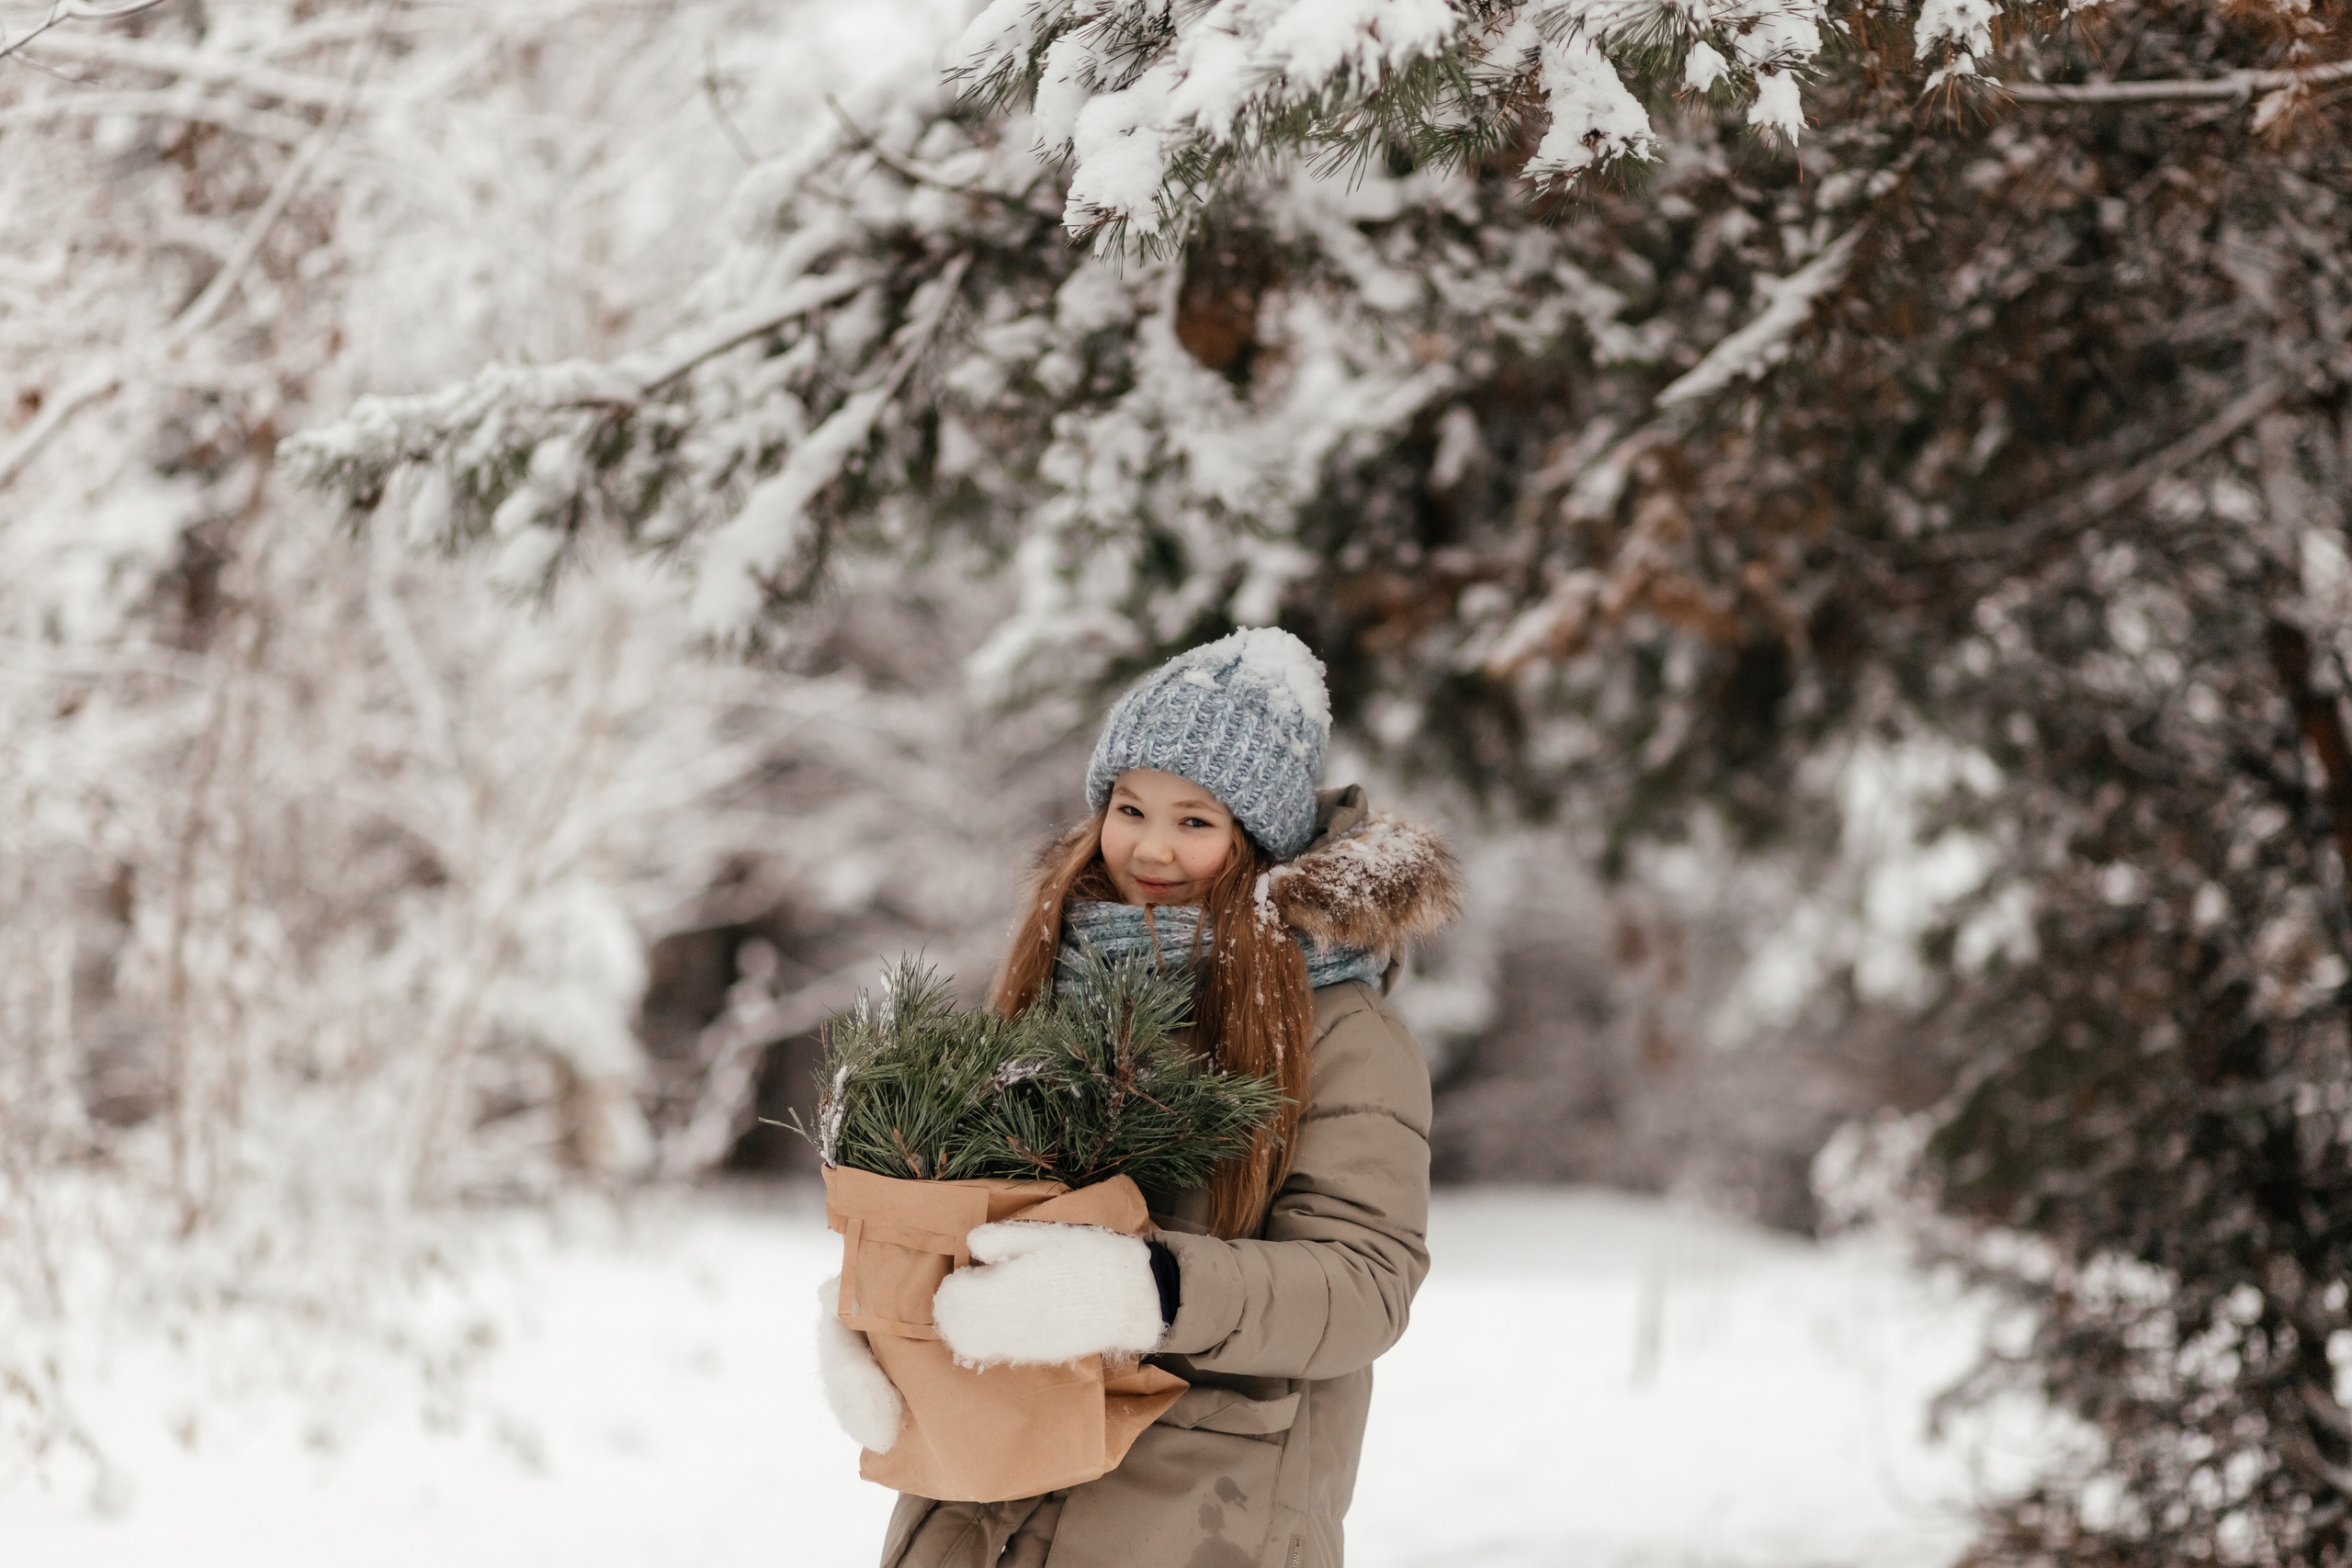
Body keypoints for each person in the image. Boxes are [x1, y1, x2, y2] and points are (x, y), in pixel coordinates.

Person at [820, 627, 1458, 1568]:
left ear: (1257, 840)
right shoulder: (1058, 971)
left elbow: (1365, 1283)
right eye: (1130, 807)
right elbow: (974, 1208)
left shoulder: (1341, 1030)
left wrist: (1148, 1290)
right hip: (984, 1502)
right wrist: (873, 1318)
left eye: (1195, 821)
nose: (1151, 846)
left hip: (1196, 1521)